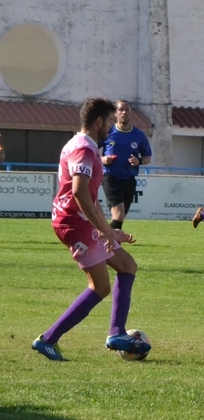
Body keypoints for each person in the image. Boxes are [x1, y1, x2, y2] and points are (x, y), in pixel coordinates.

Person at [31, 98, 150, 361]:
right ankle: (48, 339)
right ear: (99, 122)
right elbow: (79, 192)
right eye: (109, 121)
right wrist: (104, 231)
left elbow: (91, 199)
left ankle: (117, 332)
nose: (111, 126)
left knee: (127, 266)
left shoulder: (82, 145)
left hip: (80, 220)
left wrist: (110, 230)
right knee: (100, 286)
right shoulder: (84, 148)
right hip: (73, 223)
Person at [101, 100, 153, 230]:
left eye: (127, 110)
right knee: (118, 214)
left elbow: (148, 157)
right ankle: (110, 240)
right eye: (121, 110)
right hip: (110, 177)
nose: (124, 112)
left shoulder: (138, 135)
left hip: (129, 179)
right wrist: (102, 159)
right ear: (115, 113)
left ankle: (105, 236)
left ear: (130, 112)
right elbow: (90, 150)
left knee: (120, 217)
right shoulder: (108, 132)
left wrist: (138, 161)